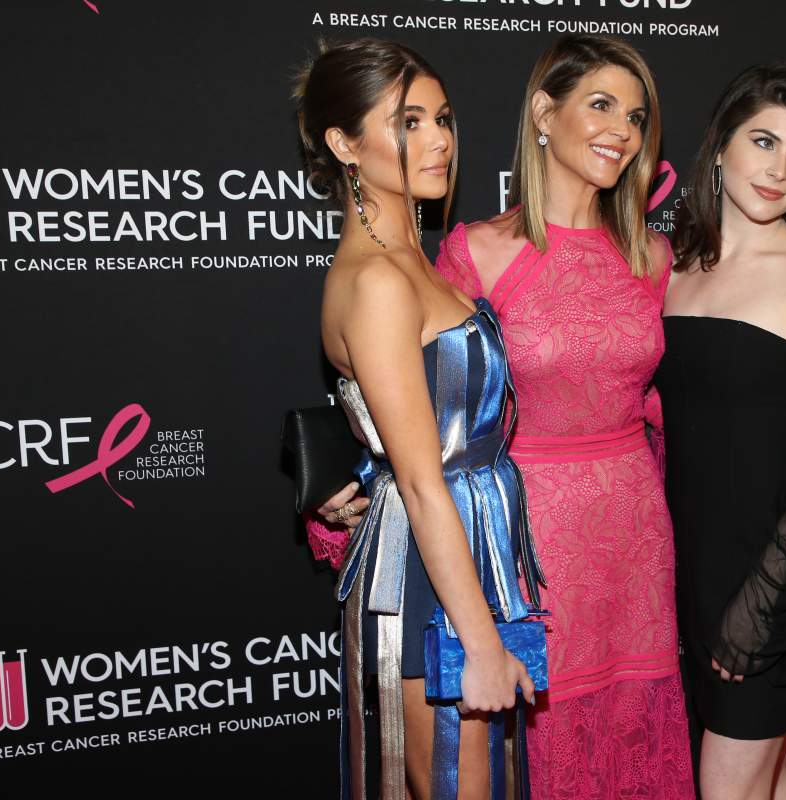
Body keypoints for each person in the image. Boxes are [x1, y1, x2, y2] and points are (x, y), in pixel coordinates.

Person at [325, 34, 695, 799]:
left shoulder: (657, 260)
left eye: (636, 115)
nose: (621, 129)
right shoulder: (465, 254)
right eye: (599, 104)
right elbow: (416, 421)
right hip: (513, 550)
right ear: (541, 113)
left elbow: (682, 403)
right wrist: (343, 487)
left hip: (628, 541)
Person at [295, 39, 541, 800]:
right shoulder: (374, 282)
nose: (439, 139)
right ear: (344, 144)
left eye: (443, 118)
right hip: (428, 591)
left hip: (473, 560)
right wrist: (480, 642)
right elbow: (421, 480)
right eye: (408, 122)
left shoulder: (416, 262)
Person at [655, 64, 786, 800]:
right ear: (720, 147)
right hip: (681, 576)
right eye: (764, 141)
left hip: (768, 589)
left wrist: (761, 608)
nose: (780, 169)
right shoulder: (672, 270)